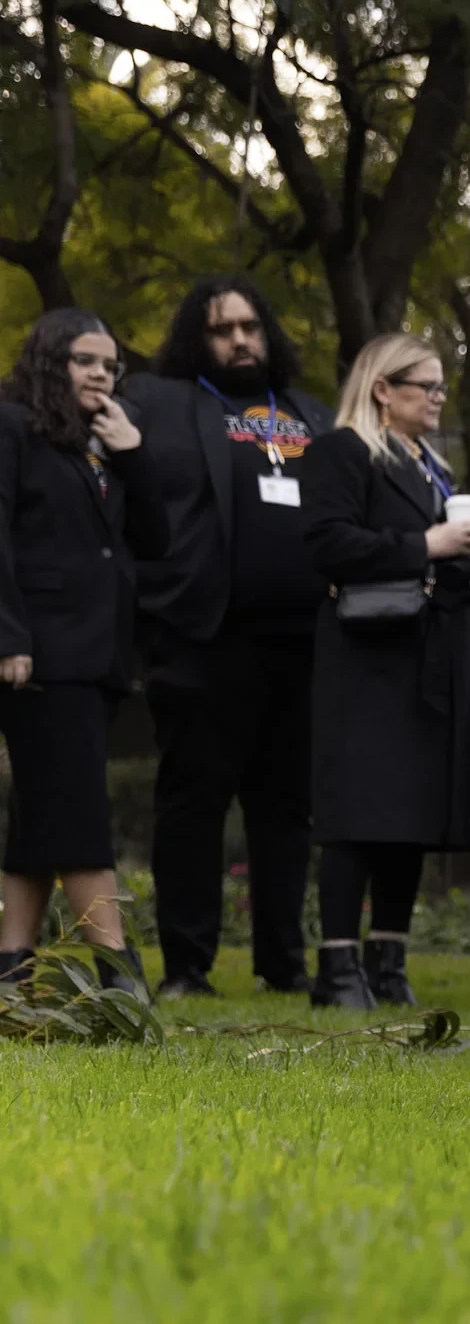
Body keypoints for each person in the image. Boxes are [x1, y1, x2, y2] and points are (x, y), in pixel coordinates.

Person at [125, 277, 334, 999]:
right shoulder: (160, 403)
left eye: (251, 326)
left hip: (302, 646)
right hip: (203, 639)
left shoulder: (308, 413)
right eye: (222, 329)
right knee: (193, 805)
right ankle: (188, 967)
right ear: (197, 338)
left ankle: (284, 962)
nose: (240, 340)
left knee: (287, 811)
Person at [298, 334, 470, 1009]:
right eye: (427, 385)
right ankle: (338, 968)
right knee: (359, 808)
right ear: (382, 389)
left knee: (413, 810)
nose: (439, 398)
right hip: (368, 655)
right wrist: (426, 542)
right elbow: (328, 543)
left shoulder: (432, 468)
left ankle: (388, 962)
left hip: (433, 653)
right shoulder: (341, 452)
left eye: (442, 386)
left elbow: (443, 562)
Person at [0, 309, 169, 994]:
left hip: (99, 654)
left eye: (109, 364)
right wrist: (8, 636)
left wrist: (134, 453)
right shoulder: (12, 424)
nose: (101, 373)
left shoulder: (106, 438)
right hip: (38, 653)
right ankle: (121, 978)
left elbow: (155, 540)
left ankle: (10, 972)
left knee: (41, 813)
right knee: (78, 816)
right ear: (51, 362)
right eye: (85, 360)